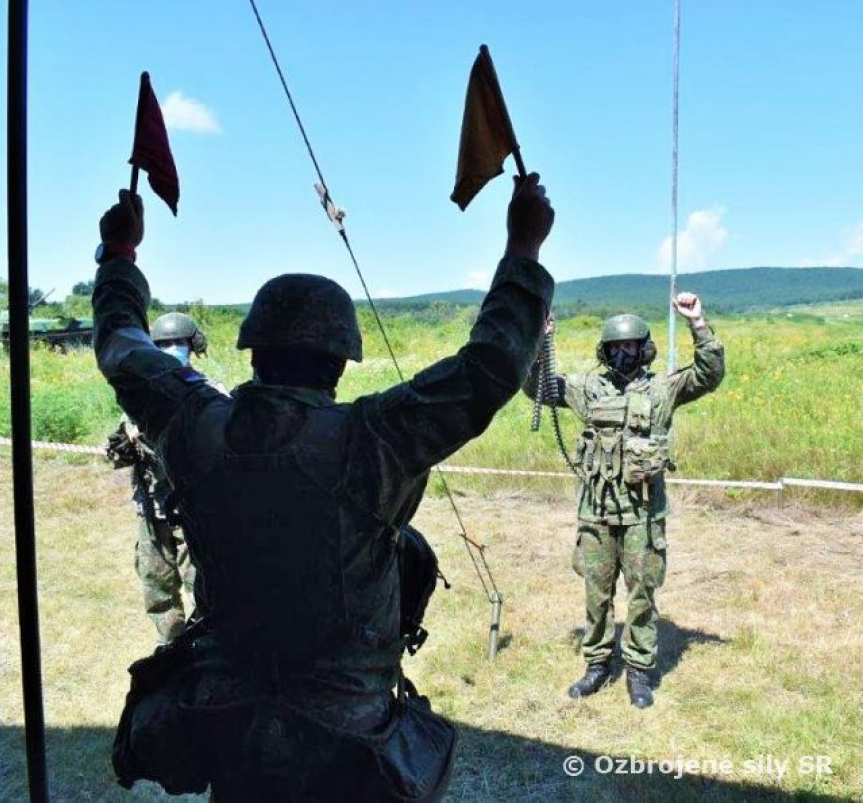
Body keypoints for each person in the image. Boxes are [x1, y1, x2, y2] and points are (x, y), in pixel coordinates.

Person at [93, 174, 555, 801]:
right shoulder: (375, 440)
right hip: (347, 739)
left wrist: (119, 256)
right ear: (341, 360)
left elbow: (122, 343)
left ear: (253, 349)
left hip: (230, 724)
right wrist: (523, 249)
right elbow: (490, 367)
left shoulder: (192, 424)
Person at [525, 296, 724, 708]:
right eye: (615, 346)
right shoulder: (587, 389)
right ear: (605, 350)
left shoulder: (663, 388)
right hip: (596, 512)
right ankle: (597, 664)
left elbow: (709, 374)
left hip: (642, 515)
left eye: (629, 345)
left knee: (641, 593)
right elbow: (537, 389)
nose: (622, 352)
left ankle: (638, 671)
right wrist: (540, 342)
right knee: (596, 593)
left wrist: (698, 323)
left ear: (643, 347)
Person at [105, 312, 213, 644]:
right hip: (151, 509)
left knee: (204, 586)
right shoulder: (142, 398)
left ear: (193, 346)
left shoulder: (209, 393)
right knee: (156, 585)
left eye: (177, 342)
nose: (171, 349)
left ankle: (206, 650)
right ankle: (172, 649)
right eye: (163, 344)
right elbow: (122, 454)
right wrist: (122, 445)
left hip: (194, 511)